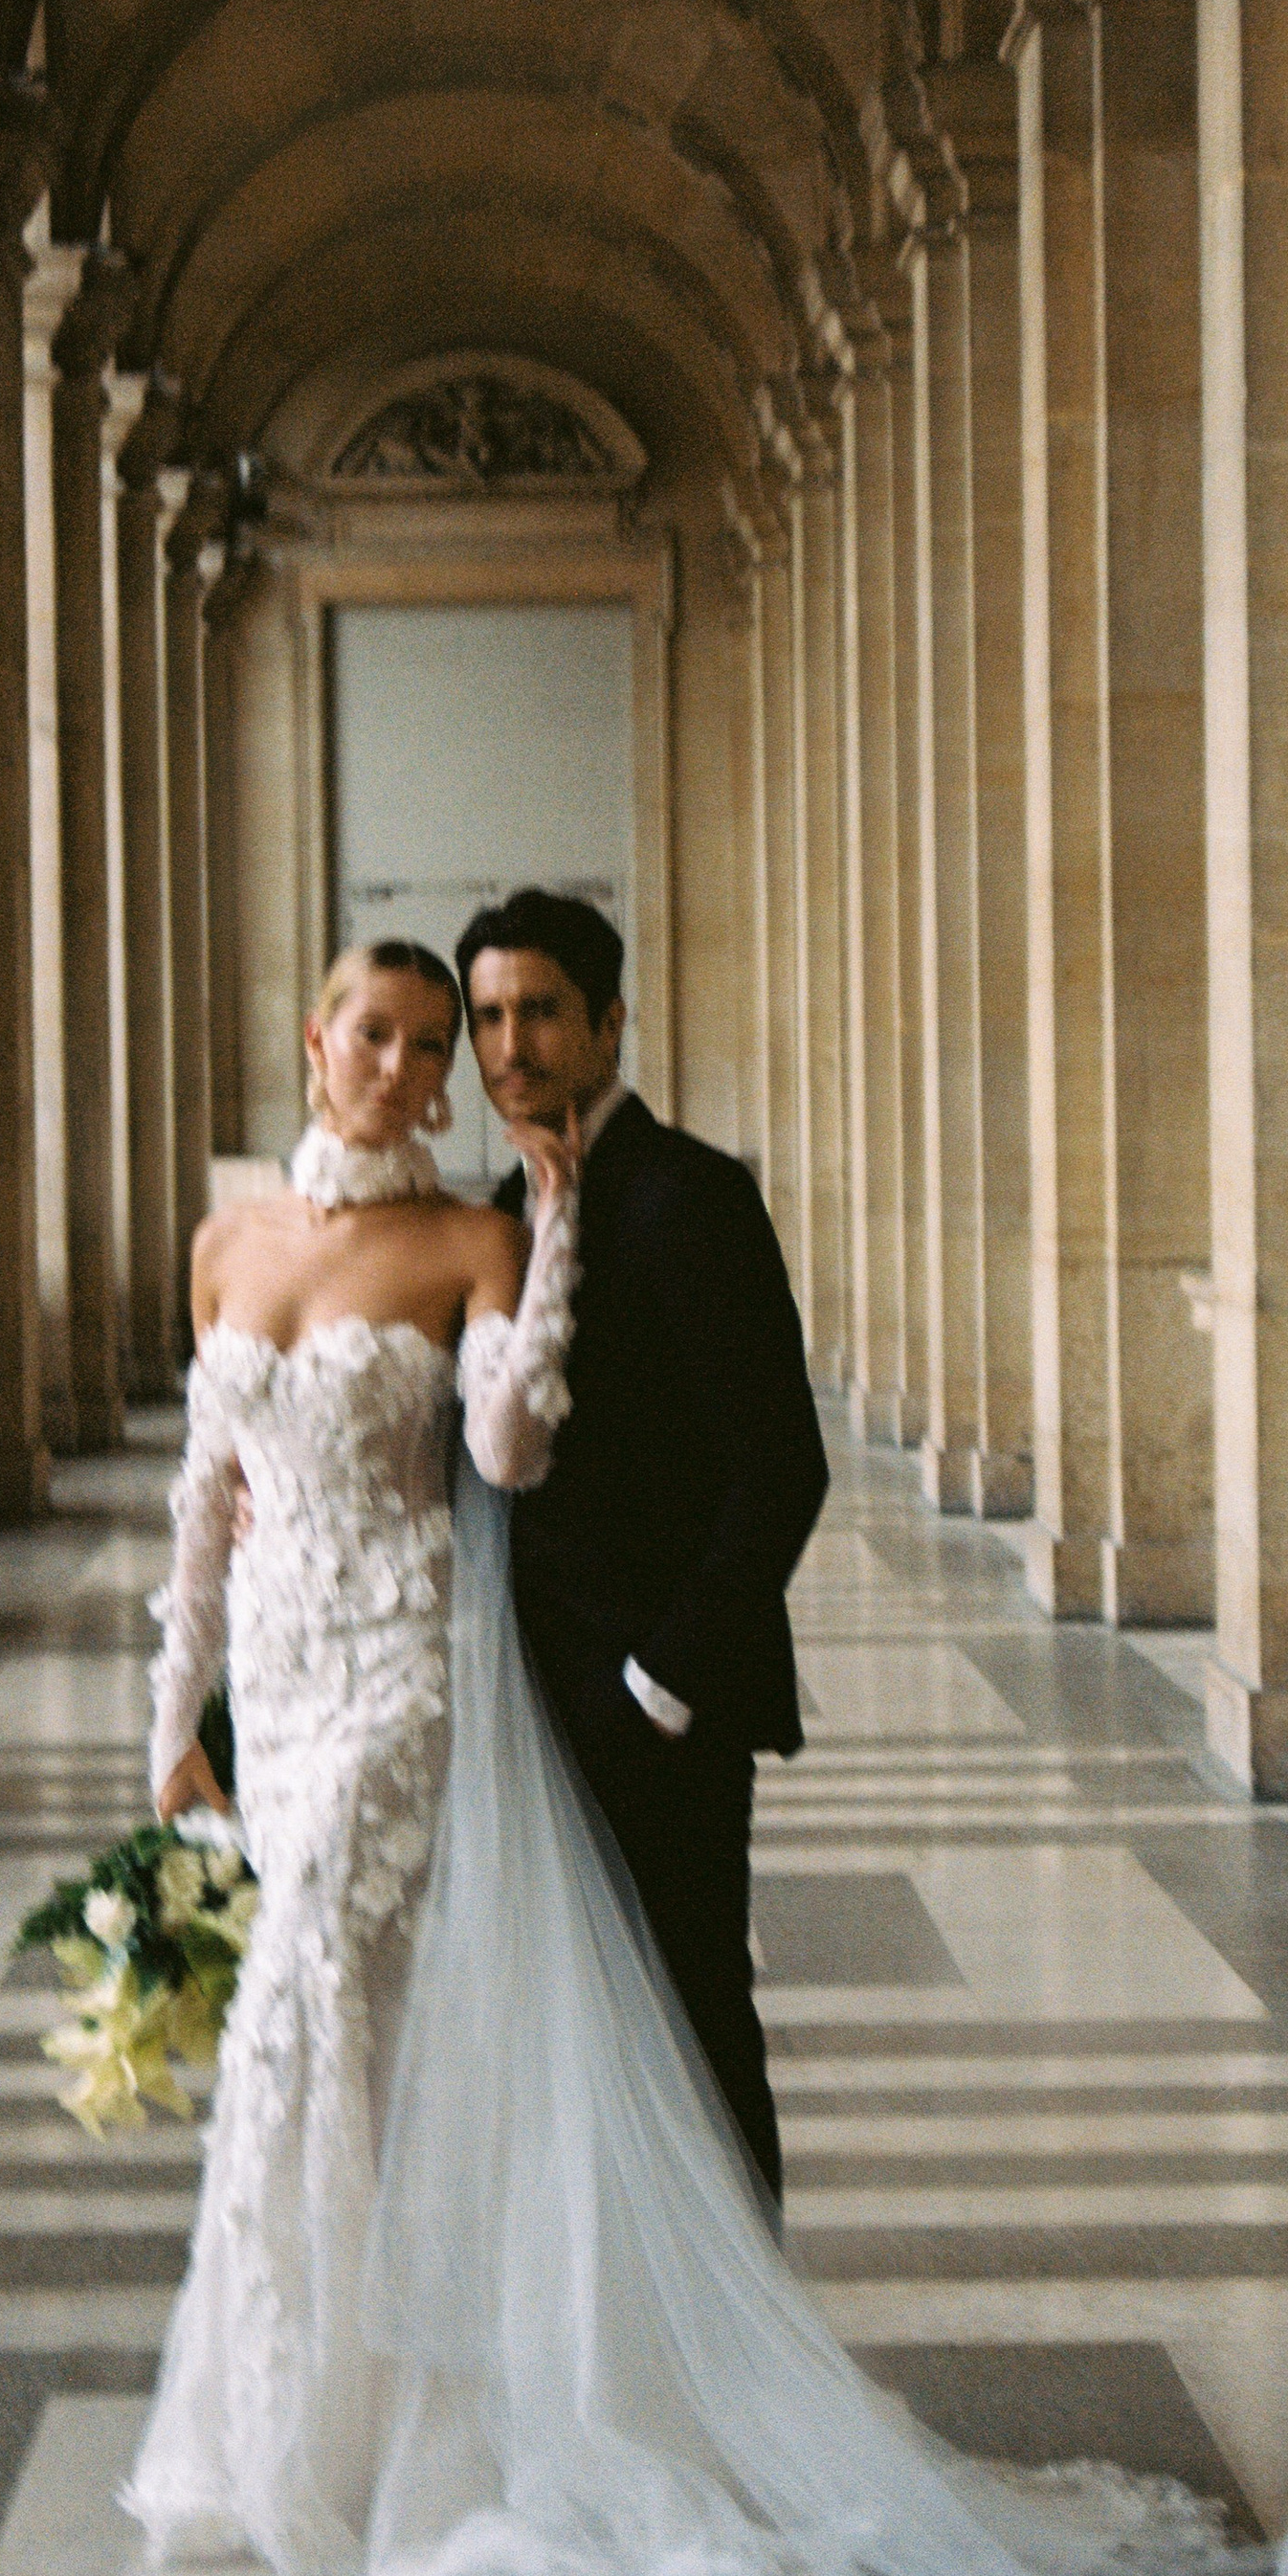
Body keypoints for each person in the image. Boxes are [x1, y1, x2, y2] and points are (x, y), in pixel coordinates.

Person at [119, 938, 1288, 2576]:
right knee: (413, 2049)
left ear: (605, 1023)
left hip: (526, 1696)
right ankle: (344, 2407)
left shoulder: (580, 1213)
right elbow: (224, 1498)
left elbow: (584, 1454)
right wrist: (178, 1719)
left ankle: (710, 2377)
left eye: (496, 1022)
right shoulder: (273, 1237)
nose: (456, 1056)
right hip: (385, 1685)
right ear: (318, 1041)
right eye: (421, 1031)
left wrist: (651, 1633)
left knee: (623, 2019)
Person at [455, 889, 825, 2203]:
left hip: (655, 1710)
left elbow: (782, 1468)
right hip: (536, 1706)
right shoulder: (503, 1205)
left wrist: (659, 1686)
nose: (512, 1044)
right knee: (575, 2035)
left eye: (542, 1010)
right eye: (489, 1015)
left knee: (696, 2019)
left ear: (610, 1021)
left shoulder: (692, 1195)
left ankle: (746, 2354)